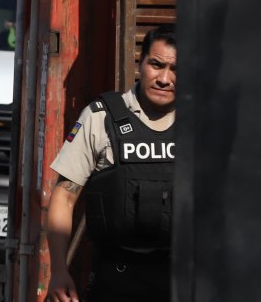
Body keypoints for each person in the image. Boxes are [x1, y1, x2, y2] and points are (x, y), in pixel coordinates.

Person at [46, 24, 178, 302]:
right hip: (117, 278)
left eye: (176, 69)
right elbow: (64, 196)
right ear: (140, 64)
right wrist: (58, 271)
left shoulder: (203, 123)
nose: (165, 78)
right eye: (156, 65)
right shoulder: (100, 117)